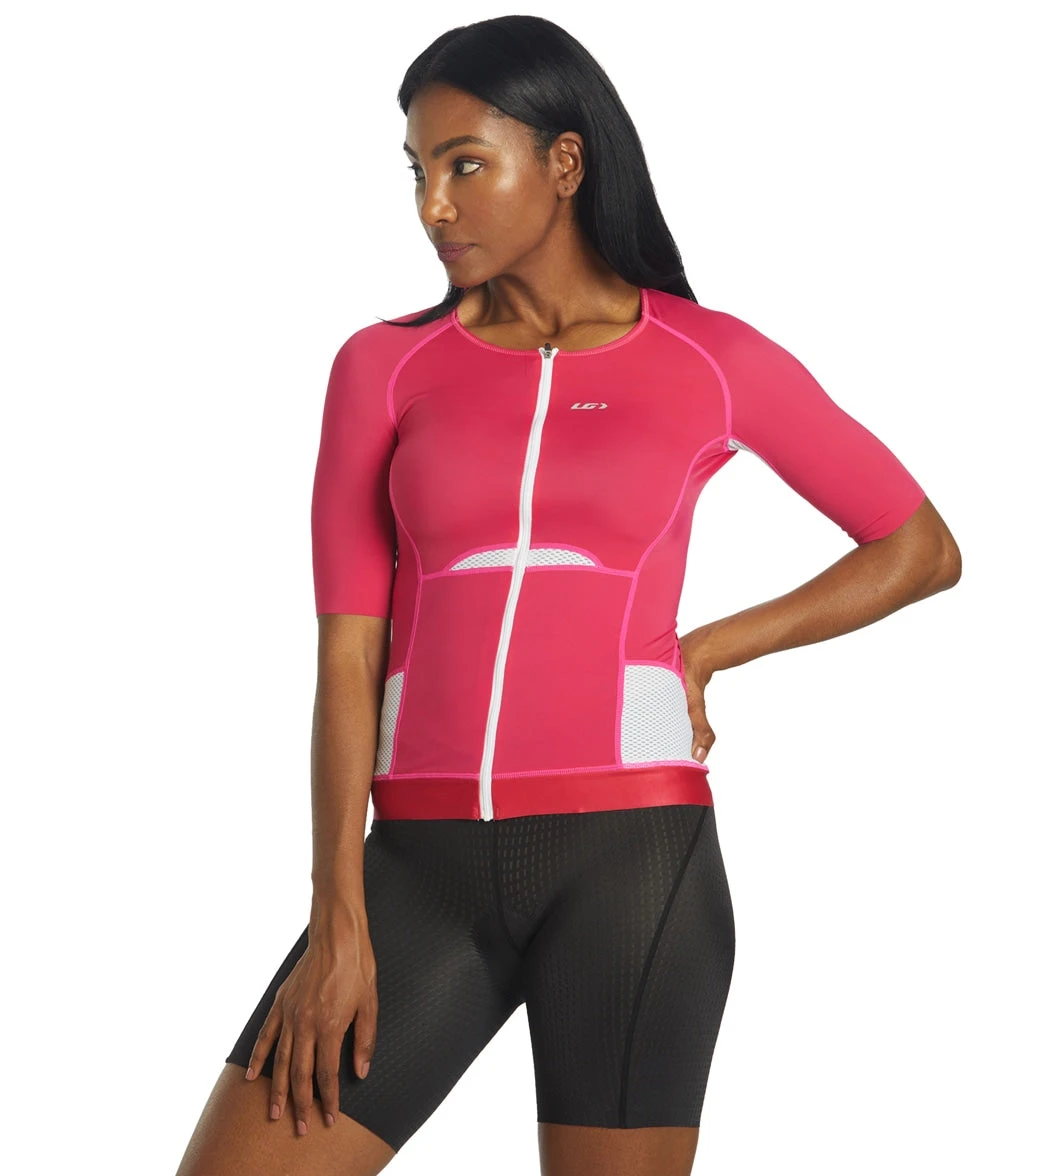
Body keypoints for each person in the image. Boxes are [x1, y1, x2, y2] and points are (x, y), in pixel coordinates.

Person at [174, 15, 961, 1176]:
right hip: (418, 869)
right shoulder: (383, 367)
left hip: (632, 869)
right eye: (417, 171)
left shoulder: (710, 358)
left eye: (464, 165)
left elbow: (918, 547)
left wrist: (709, 648)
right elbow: (347, 654)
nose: (433, 204)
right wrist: (337, 914)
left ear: (564, 161)